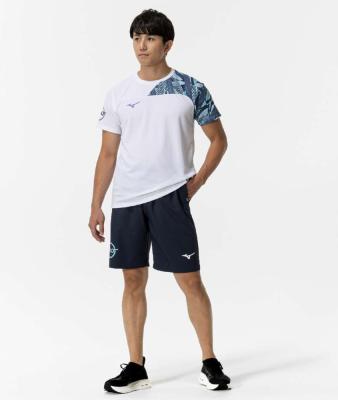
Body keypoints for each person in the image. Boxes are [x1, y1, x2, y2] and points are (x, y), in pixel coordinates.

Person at [89, 8, 230, 393]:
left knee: (190, 280)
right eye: (136, 38)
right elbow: (107, 153)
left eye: (150, 38)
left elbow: (219, 140)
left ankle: (210, 361)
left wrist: (195, 184)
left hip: (171, 198)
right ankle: (136, 366)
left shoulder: (190, 88)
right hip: (127, 201)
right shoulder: (118, 93)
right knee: (132, 280)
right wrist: (96, 205)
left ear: (167, 45)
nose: (141, 45)